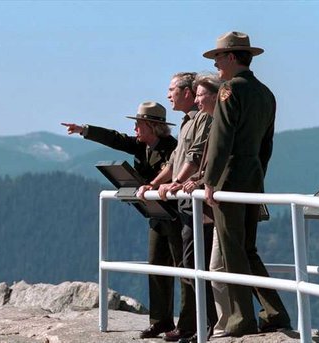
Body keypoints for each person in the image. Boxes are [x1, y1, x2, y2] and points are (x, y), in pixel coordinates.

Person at [61, 101, 186, 340]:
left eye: (139, 124)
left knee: (183, 268)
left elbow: (173, 172)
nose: (135, 129)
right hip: (156, 215)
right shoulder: (141, 146)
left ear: (152, 126)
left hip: (176, 216)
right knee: (156, 266)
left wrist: (153, 186)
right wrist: (84, 130)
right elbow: (115, 138)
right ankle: (160, 321)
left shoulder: (172, 148)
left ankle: (189, 322)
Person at [201, 31, 292, 337]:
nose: (215, 64)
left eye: (217, 58)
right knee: (248, 248)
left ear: (230, 57)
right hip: (252, 176)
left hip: (230, 178)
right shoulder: (266, 93)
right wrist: (258, 174)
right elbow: (267, 144)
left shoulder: (230, 90)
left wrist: (210, 181)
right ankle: (275, 311)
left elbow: (221, 139)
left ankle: (242, 318)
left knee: (232, 250)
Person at [137, 72, 217, 342]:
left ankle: (197, 324)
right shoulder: (186, 123)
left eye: (172, 89)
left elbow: (193, 158)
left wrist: (176, 183)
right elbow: (173, 162)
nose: (168, 94)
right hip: (181, 202)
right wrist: (153, 184)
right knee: (184, 265)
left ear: (187, 92)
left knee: (193, 266)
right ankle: (187, 324)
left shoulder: (203, 118)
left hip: (191, 204)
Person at [181, 74, 231, 339]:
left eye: (200, 95)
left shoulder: (217, 122)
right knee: (207, 267)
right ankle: (211, 325)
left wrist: (197, 180)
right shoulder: (206, 120)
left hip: (216, 202)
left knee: (216, 267)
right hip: (208, 200)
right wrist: (195, 180)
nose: (196, 99)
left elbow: (214, 159)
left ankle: (219, 324)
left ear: (214, 95)